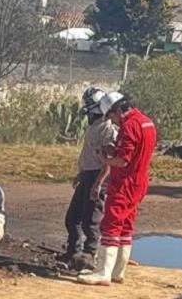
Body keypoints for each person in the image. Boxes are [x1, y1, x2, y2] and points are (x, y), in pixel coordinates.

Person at [78, 92, 156, 286]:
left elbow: (123, 160)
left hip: (124, 183)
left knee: (111, 225)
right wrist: (113, 150)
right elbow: (135, 151)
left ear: (119, 110)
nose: (113, 121)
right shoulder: (146, 122)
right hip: (139, 181)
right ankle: (118, 271)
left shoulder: (129, 125)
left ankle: (102, 272)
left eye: (112, 116)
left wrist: (105, 159)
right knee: (126, 226)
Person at [60, 87, 117, 268]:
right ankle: (73, 252)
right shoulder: (93, 127)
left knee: (91, 220)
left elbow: (108, 161)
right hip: (87, 175)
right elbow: (89, 155)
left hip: (97, 177)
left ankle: (89, 256)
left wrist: (99, 183)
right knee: (72, 218)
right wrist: (81, 174)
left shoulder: (108, 130)